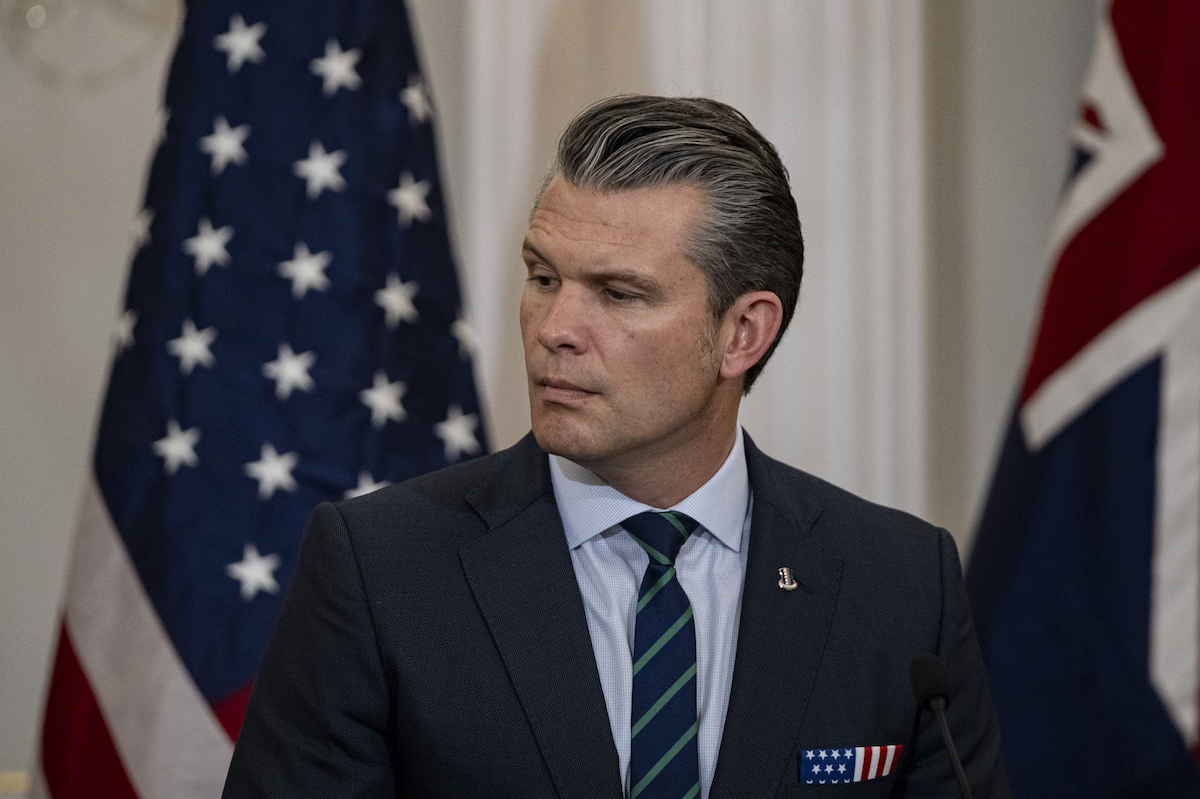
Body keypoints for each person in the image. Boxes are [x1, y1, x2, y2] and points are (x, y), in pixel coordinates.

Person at [223, 95, 1009, 799]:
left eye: (618, 293)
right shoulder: (380, 568)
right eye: (542, 277)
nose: (554, 329)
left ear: (743, 332)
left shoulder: (902, 584)